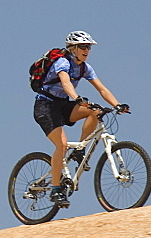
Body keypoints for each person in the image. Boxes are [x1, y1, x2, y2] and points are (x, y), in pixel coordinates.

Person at [34, 31, 129, 208]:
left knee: (96, 111)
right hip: (45, 106)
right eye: (83, 47)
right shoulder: (62, 62)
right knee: (61, 145)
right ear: (73, 48)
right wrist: (77, 98)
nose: (87, 50)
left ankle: (79, 149)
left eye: (89, 47)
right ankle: (55, 189)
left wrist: (117, 105)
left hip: (63, 105)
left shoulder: (85, 67)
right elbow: (65, 83)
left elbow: (101, 89)